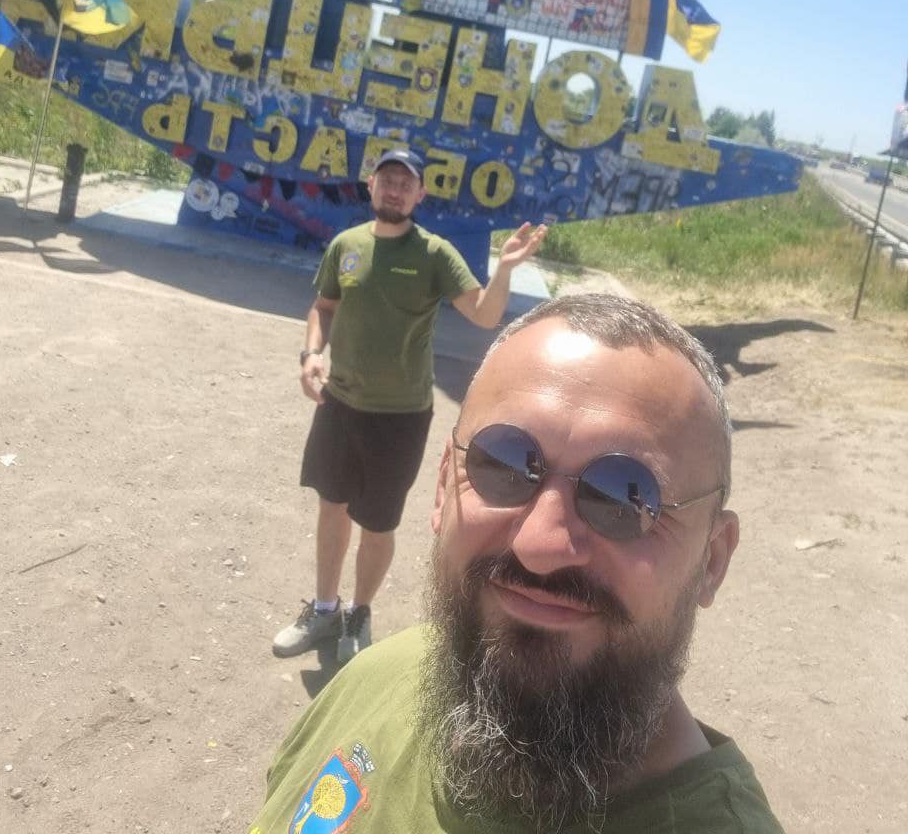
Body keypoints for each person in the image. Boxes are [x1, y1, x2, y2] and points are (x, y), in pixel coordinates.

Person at [250, 293, 785, 834]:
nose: (540, 546)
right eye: (503, 463)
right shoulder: (380, 676)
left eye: (624, 497)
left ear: (713, 559)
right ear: (444, 486)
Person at [272, 146, 547, 665]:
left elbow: (484, 314)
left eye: (406, 183)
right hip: (339, 404)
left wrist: (506, 269)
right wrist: (311, 355)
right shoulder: (347, 245)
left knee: (377, 523)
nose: (395, 190)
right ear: (371, 185)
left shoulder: (433, 253)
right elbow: (323, 307)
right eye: (387, 180)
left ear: (420, 194)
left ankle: (359, 612)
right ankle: (325, 608)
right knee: (331, 507)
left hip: (399, 418)